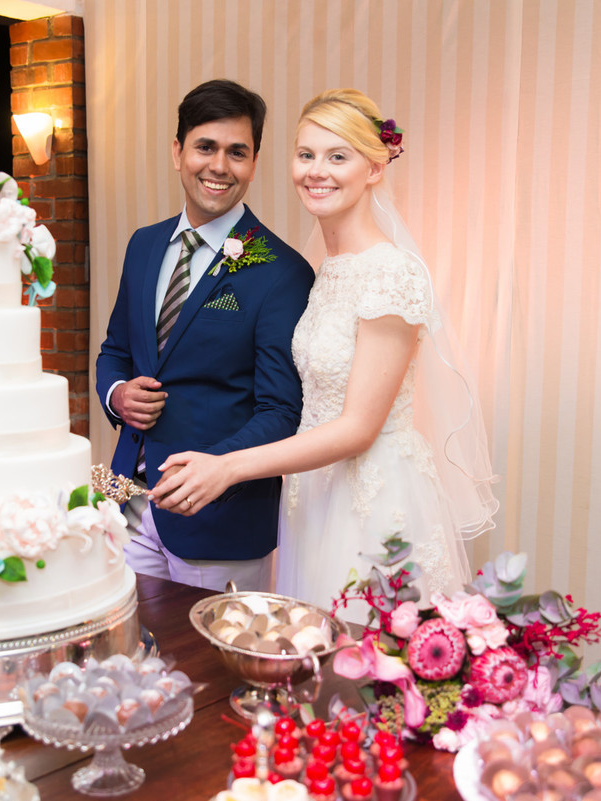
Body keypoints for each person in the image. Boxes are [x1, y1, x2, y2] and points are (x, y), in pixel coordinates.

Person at [151, 89, 499, 618]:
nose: (318, 171)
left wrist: (226, 466)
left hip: (372, 498)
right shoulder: (325, 268)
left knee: (366, 666)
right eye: (306, 154)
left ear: (376, 168)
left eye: (338, 156)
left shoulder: (391, 273)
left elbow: (359, 427)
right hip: (313, 495)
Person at [95, 79, 314, 592]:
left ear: (254, 162)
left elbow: (281, 411)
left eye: (237, 152)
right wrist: (117, 395)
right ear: (178, 152)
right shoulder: (144, 245)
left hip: (220, 519)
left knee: (212, 670)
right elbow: (115, 351)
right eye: (205, 147)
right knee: (131, 660)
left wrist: (215, 467)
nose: (219, 166)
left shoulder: (282, 272)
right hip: (126, 503)